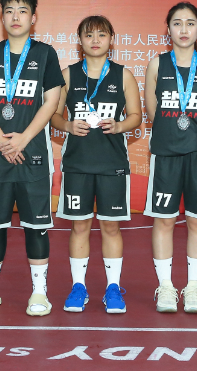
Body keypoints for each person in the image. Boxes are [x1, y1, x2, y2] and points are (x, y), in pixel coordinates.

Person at [0, 0, 64, 316]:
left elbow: (51, 101)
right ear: (2, 16)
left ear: (33, 18)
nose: (15, 17)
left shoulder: (46, 54)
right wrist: (3, 141)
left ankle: (39, 293)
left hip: (32, 154)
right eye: (9, 10)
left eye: (23, 11)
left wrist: (22, 139)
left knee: (36, 226)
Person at [51, 16, 142, 314]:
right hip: (77, 164)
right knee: (79, 226)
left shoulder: (123, 75)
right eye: (88, 35)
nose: (95, 40)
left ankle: (113, 288)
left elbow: (136, 116)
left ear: (111, 39)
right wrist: (67, 124)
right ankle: (78, 286)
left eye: (101, 35)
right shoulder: (68, 74)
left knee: (111, 227)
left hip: (112, 164)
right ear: (79, 40)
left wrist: (119, 126)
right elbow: (53, 115)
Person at [144, 2, 197, 313]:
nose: (184, 29)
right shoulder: (157, 64)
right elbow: (152, 110)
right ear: (168, 29)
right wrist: (172, 131)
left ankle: (193, 288)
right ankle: (165, 286)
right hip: (166, 153)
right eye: (177, 23)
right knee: (164, 219)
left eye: (190, 23)